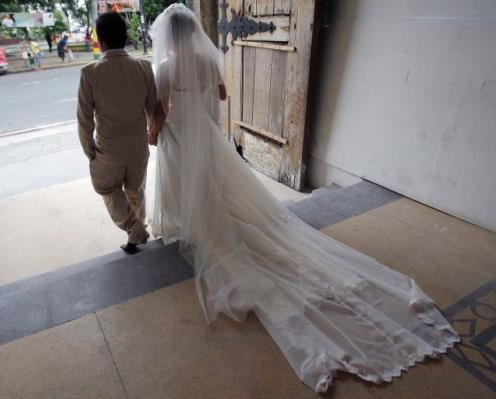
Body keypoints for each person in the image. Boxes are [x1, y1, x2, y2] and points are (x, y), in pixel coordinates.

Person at [147, 4, 458, 393]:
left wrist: (154, 132)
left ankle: (195, 221)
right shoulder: (209, 61)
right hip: (207, 138)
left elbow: (161, 110)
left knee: (188, 185)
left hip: (181, 136)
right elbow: (222, 96)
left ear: (168, 36)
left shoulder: (163, 69)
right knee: (216, 184)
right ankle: (213, 214)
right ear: (193, 32)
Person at [77, 12, 161, 254]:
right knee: (136, 192)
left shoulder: (90, 73)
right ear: (126, 38)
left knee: (106, 188)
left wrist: (89, 151)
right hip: (137, 147)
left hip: (108, 150)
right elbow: (153, 107)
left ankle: (134, 228)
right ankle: (137, 233)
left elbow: (84, 119)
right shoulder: (144, 67)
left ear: (100, 41)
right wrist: (151, 134)